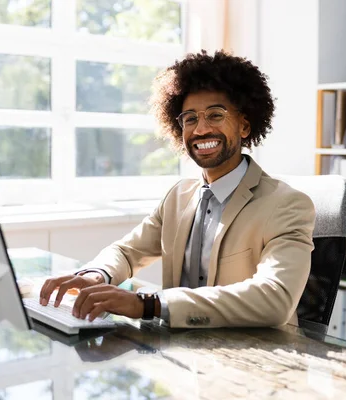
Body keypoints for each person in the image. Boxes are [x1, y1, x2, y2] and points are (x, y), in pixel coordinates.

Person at [39, 50, 315, 328]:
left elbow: (275, 298)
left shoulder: (287, 204)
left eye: (215, 115)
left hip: (255, 359)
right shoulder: (179, 196)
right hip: (181, 353)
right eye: (190, 119)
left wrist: (150, 304)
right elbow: (127, 251)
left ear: (244, 125)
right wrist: (96, 275)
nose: (201, 130)